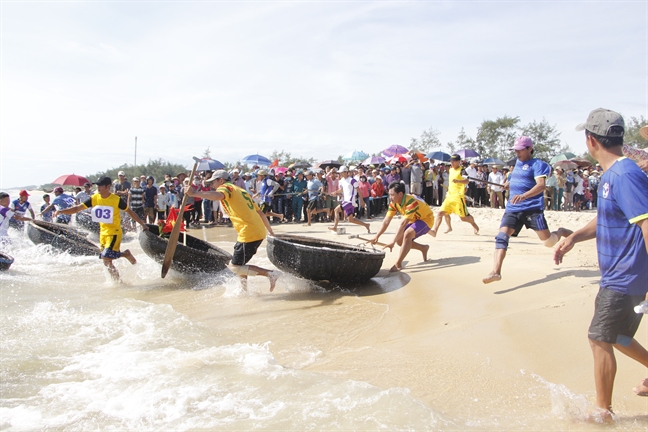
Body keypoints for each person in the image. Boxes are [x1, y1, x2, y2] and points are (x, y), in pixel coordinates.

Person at [554, 108, 648, 419]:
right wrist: (574, 237)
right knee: (618, 336)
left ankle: (602, 412)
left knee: (599, 337)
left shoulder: (625, 174)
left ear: (591, 140)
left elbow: (647, 224)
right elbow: (609, 217)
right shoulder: (613, 175)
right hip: (617, 275)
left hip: (626, 275)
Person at [483, 136, 572, 284]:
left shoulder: (538, 164)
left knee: (548, 242)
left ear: (529, 149)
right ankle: (495, 272)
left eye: (520, 150)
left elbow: (541, 185)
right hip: (513, 208)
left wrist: (524, 196)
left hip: (532, 209)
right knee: (502, 237)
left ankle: (561, 231)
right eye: (515, 150)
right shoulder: (518, 162)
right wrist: (510, 184)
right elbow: (521, 179)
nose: (517, 153)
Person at [184, 170, 281, 291]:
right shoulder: (241, 191)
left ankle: (271, 274)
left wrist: (194, 193)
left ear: (221, 180)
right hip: (254, 231)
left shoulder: (226, 187)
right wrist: (270, 232)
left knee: (235, 267)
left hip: (249, 232)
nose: (212, 186)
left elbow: (218, 196)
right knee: (240, 264)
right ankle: (244, 290)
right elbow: (260, 213)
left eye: (213, 182)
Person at [54, 177, 148, 281]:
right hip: (103, 234)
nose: (98, 187)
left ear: (108, 187)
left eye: (100, 185)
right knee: (106, 261)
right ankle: (124, 257)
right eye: (97, 185)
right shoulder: (94, 198)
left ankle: (119, 283)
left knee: (106, 257)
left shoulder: (116, 200)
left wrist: (143, 225)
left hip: (114, 233)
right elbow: (77, 208)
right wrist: (62, 211)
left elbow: (130, 212)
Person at [370, 182, 435, 272]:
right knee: (400, 241)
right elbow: (386, 221)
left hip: (426, 220)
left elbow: (403, 223)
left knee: (408, 234)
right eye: (389, 195)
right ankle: (423, 248)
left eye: (392, 195)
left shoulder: (411, 202)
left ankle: (398, 263)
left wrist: (392, 242)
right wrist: (377, 236)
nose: (390, 197)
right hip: (414, 220)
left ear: (400, 194)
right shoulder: (394, 203)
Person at [430, 154, 479, 236]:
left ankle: (474, 224)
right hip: (449, 196)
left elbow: (467, 181)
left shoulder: (462, 170)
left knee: (463, 218)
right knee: (440, 213)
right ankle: (435, 231)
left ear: (458, 162)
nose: (451, 163)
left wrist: (458, 181)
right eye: (451, 161)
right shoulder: (451, 169)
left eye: (453, 161)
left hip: (458, 197)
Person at [327, 166, 370, 234]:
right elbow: (342, 189)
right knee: (351, 220)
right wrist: (335, 192)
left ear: (345, 172)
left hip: (350, 201)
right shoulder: (342, 180)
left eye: (341, 173)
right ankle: (366, 225)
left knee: (336, 210)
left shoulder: (352, 180)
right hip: (346, 200)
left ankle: (335, 227)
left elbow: (358, 190)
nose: (340, 174)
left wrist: (361, 200)